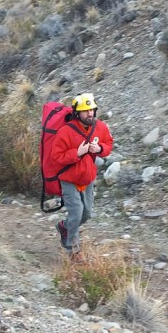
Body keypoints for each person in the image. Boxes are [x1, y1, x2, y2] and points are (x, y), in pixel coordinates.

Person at [50, 93, 113, 262]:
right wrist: (77, 153)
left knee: (86, 214)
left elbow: (109, 144)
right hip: (69, 179)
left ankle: (64, 227)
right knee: (76, 214)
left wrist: (99, 148)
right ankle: (73, 251)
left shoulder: (100, 127)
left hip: (88, 178)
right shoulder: (65, 132)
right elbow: (56, 157)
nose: (90, 113)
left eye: (92, 109)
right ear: (77, 113)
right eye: (85, 111)